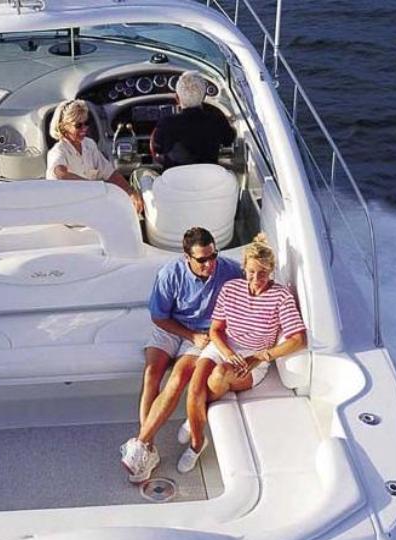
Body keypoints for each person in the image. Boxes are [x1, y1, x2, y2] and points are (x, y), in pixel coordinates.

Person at [177, 233, 307, 473]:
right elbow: (216, 330)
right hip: (223, 347)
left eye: (263, 272)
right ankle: (198, 441)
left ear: (271, 270)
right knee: (195, 385)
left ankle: (194, 426)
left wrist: (261, 356)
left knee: (219, 374)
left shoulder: (281, 297)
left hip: (254, 356)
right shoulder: (231, 288)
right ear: (244, 268)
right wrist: (226, 352)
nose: (256, 279)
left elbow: (298, 340)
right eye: (251, 271)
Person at [120, 227, 241, 483]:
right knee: (151, 374)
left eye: (213, 256)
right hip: (172, 328)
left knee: (176, 379)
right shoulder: (169, 274)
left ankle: (141, 445)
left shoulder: (231, 271)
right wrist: (189, 335)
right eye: (202, 259)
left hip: (203, 335)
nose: (209, 264)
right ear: (187, 257)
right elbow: (159, 317)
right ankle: (148, 447)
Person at [47, 99, 143, 213]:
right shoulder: (58, 151)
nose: (84, 128)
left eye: (86, 123)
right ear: (63, 127)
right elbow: (60, 174)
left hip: (92, 207)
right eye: (78, 125)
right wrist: (93, 187)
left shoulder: (89, 144)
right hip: (69, 211)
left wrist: (130, 192)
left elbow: (110, 173)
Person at [150, 71, 235, 170]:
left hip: (176, 178)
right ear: (204, 97)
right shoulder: (217, 121)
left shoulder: (165, 123)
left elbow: (157, 149)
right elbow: (229, 139)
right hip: (208, 177)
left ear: (177, 98)